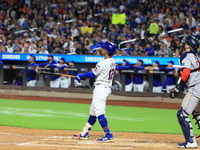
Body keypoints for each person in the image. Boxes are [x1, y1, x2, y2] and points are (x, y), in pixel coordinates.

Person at [73, 41, 116, 142]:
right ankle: (85, 132)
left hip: (101, 88)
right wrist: (84, 76)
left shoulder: (103, 63)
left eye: (103, 48)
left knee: (99, 112)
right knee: (93, 112)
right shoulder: (112, 61)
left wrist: (81, 75)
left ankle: (108, 134)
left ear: (106, 51)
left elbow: (93, 74)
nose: (101, 49)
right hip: (104, 87)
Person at [169, 35, 199, 148]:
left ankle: (191, 141)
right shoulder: (196, 57)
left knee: (182, 113)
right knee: (197, 113)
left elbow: (186, 73)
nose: (183, 44)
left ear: (188, 45)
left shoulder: (186, 55)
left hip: (196, 87)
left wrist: (178, 86)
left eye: (185, 43)